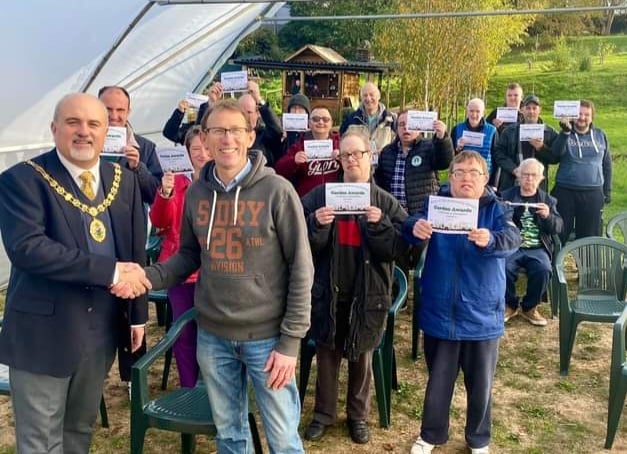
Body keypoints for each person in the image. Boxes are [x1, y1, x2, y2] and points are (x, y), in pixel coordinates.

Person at [143, 99, 314, 452]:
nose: (227, 139)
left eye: (235, 130)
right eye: (217, 130)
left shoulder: (277, 191)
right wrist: (147, 277)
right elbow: (189, 256)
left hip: (267, 339)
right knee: (231, 435)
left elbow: (301, 266)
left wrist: (290, 342)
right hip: (214, 335)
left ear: (250, 136)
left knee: (282, 439)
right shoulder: (196, 194)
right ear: (203, 139)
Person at [0, 93, 151, 453]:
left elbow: (133, 251)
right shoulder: (22, 180)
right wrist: (110, 272)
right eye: (73, 123)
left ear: (107, 131)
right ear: (55, 129)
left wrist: (138, 316)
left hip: (100, 334)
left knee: (78, 432)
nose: (84, 132)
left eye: (94, 124)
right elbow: (29, 250)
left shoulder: (122, 180)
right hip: (43, 336)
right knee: (40, 441)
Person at [403, 151, 520, 454]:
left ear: (485, 179)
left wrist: (491, 240)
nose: (466, 178)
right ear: (450, 177)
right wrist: (414, 228)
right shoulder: (435, 204)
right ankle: (430, 435)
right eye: (459, 172)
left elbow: (512, 238)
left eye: (473, 173)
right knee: (438, 381)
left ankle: (479, 439)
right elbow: (411, 221)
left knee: (480, 384)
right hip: (440, 310)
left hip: (481, 312)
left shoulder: (496, 209)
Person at [301, 130, 409, 444]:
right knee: (327, 353)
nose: (351, 160)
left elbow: (400, 247)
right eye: (345, 155)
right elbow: (297, 232)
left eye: (356, 154)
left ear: (369, 157)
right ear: (339, 160)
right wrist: (316, 224)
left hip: (369, 292)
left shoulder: (384, 201)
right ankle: (323, 414)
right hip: (329, 288)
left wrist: (381, 225)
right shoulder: (323, 194)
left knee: (362, 356)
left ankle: (358, 416)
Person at [149, 126, 212, 387]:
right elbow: (160, 223)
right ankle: (189, 385)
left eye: (205, 148)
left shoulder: (222, 183)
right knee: (185, 334)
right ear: (186, 153)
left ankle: (213, 387)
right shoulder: (175, 183)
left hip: (214, 270)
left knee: (212, 334)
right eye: (195, 149)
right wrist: (165, 194)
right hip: (181, 269)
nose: (201, 154)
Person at [374, 109, 453, 276]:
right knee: (398, 258)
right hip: (395, 217)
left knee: (421, 262)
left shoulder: (429, 147)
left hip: (421, 216)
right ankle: (400, 295)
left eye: (410, 125)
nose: (406, 129)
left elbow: (444, 160)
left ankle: (419, 293)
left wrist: (442, 138)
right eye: (401, 125)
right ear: (396, 128)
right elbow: (379, 182)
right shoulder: (387, 152)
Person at [501, 158, 563, 327]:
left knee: (543, 269)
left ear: (540, 179)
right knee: (503, 267)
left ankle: (530, 307)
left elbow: (558, 227)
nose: (529, 179)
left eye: (533, 175)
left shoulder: (548, 200)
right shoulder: (506, 196)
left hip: (537, 247)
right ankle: (510, 305)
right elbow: (496, 223)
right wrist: (503, 211)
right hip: (512, 246)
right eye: (525, 175)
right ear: (518, 176)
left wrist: (547, 216)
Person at [551, 100, 612, 243]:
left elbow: (607, 165)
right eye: (579, 114)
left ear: (592, 117)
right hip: (565, 191)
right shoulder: (565, 134)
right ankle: (554, 264)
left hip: (593, 192)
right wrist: (565, 132)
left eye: (587, 114)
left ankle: (587, 265)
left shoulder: (600, 135)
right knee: (559, 233)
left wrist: (607, 191)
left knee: (589, 237)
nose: (582, 117)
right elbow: (555, 153)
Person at [98, 85, 163, 204]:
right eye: (108, 109)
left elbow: (156, 195)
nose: (113, 116)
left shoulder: (146, 148)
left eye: (120, 110)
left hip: (130, 221)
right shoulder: (85, 145)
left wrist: (138, 168)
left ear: (128, 112)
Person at [493, 94, 558, 192]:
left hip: (537, 186)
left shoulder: (549, 132)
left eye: (534, 108)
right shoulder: (509, 131)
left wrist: (541, 148)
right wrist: (514, 169)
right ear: (522, 110)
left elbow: (555, 158)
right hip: (511, 183)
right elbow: (498, 153)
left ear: (539, 110)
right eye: (528, 108)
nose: (531, 111)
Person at [275, 106, 340, 196]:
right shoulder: (299, 146)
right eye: (316, 119)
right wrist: (294, 161)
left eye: (325, 119)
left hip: (334, 197)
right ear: (309, 123)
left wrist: (343, 157)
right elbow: (278, 169)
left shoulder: (341, 144)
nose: (321, 122)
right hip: (307, 200)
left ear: (331, 123)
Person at [340, 82, 396, 158]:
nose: (368, 98)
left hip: (384, 166)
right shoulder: (350, 120)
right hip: (358, 165)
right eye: (365, 95)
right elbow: (342, 143)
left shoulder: (391, 120)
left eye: (371, 95)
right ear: (361, 98)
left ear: (379, 96)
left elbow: (397, 145)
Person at [237, 80, 284, 167]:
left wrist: (258, 99)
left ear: (257, 113)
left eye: (249, 112)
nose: (245, 116)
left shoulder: (264, 134)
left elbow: (277, 130)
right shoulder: (231, 135)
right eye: (241, 112)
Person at [451, 98, 498, 182]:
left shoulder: (492, 131)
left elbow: (496, 158)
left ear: (483, 113)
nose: (474, 114)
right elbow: (450, 157)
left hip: (484, 178)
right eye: (471, 111)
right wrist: (457, 148)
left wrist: (494, 183)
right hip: (462, 177)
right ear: (467, 112)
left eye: (477, 111)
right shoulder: (457, 129)